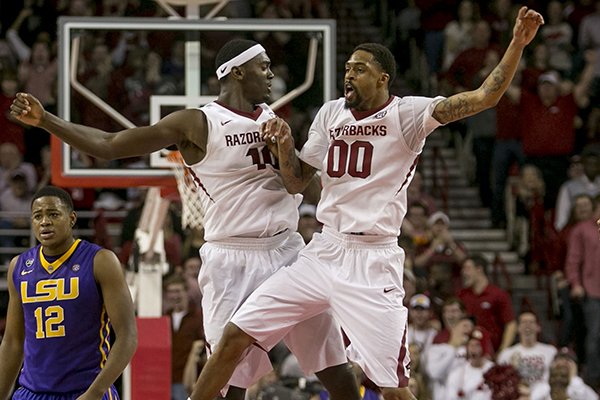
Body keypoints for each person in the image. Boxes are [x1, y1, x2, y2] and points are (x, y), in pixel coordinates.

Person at [187, 7, 544, 400]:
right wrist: (286, 145)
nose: (348, 75)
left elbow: (483, 97)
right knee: (237, 333)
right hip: (323, 250)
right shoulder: (330, 113)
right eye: (346, 68)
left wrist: (516, 43)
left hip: (373, 262)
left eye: (358, 68)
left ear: (383, 78)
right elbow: (296, 181)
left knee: (394, 390)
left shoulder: (407, 114)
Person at [9, 39, 359, 400]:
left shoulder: (272, 118)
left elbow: (304, 184)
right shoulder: (198, 122)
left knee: (334, 363)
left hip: (288, 251)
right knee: (228, 384)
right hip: (233, 258)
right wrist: (46, 120)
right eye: (264, 66)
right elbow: (110, 143)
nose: (271, 74)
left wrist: (296, 156)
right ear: (237, 71)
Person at [0, 185, 138, 399]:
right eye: (37, 216)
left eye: (53, 214)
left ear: (72, 218)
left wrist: (96, 392)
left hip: (86, 391)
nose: (44, 221)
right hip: (32, 392)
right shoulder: (18, 266)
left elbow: (128, 336)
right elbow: (12, 342)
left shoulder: (100, 260)